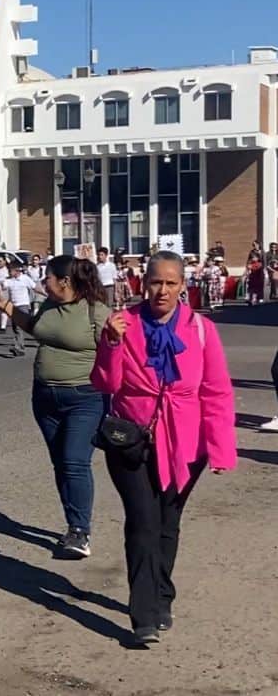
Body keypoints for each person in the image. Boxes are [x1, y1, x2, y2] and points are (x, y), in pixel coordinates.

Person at [91, 250, 236, 645]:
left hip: (185, 443)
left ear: (183, 287)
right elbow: (105, 383)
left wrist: (221, 448)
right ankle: (144, 615)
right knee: (143, 520)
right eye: (156, 281)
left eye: (172, 283)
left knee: (168, 523)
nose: (163, 290)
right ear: (143, 283)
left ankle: (162, 596)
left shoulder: (202, 329)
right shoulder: (125, 324)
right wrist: (111, 344)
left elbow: (217, 392)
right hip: (131, 440)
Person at [0, 255, 110, 558]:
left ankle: (80, 531)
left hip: (85, 398)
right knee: (61, 462)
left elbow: (119, 353)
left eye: (47, 277)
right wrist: (5, 305)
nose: (42, 282)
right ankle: (72, 522)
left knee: (74, 460)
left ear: (65, 281)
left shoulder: (95, 311)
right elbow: (36, 329)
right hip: (45, 398)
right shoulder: (48, 305)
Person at [0, 262, 36, 357]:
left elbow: (35, 287)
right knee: (15, 327)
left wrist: (46, 294)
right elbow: (1, 287)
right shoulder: (9, 280)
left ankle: (18, 347)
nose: (9, 272)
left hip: (23, 305)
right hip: (13, 305)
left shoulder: (25, 279)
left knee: (18, 327)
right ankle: (20, 346)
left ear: (16, 270)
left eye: (10, 271)